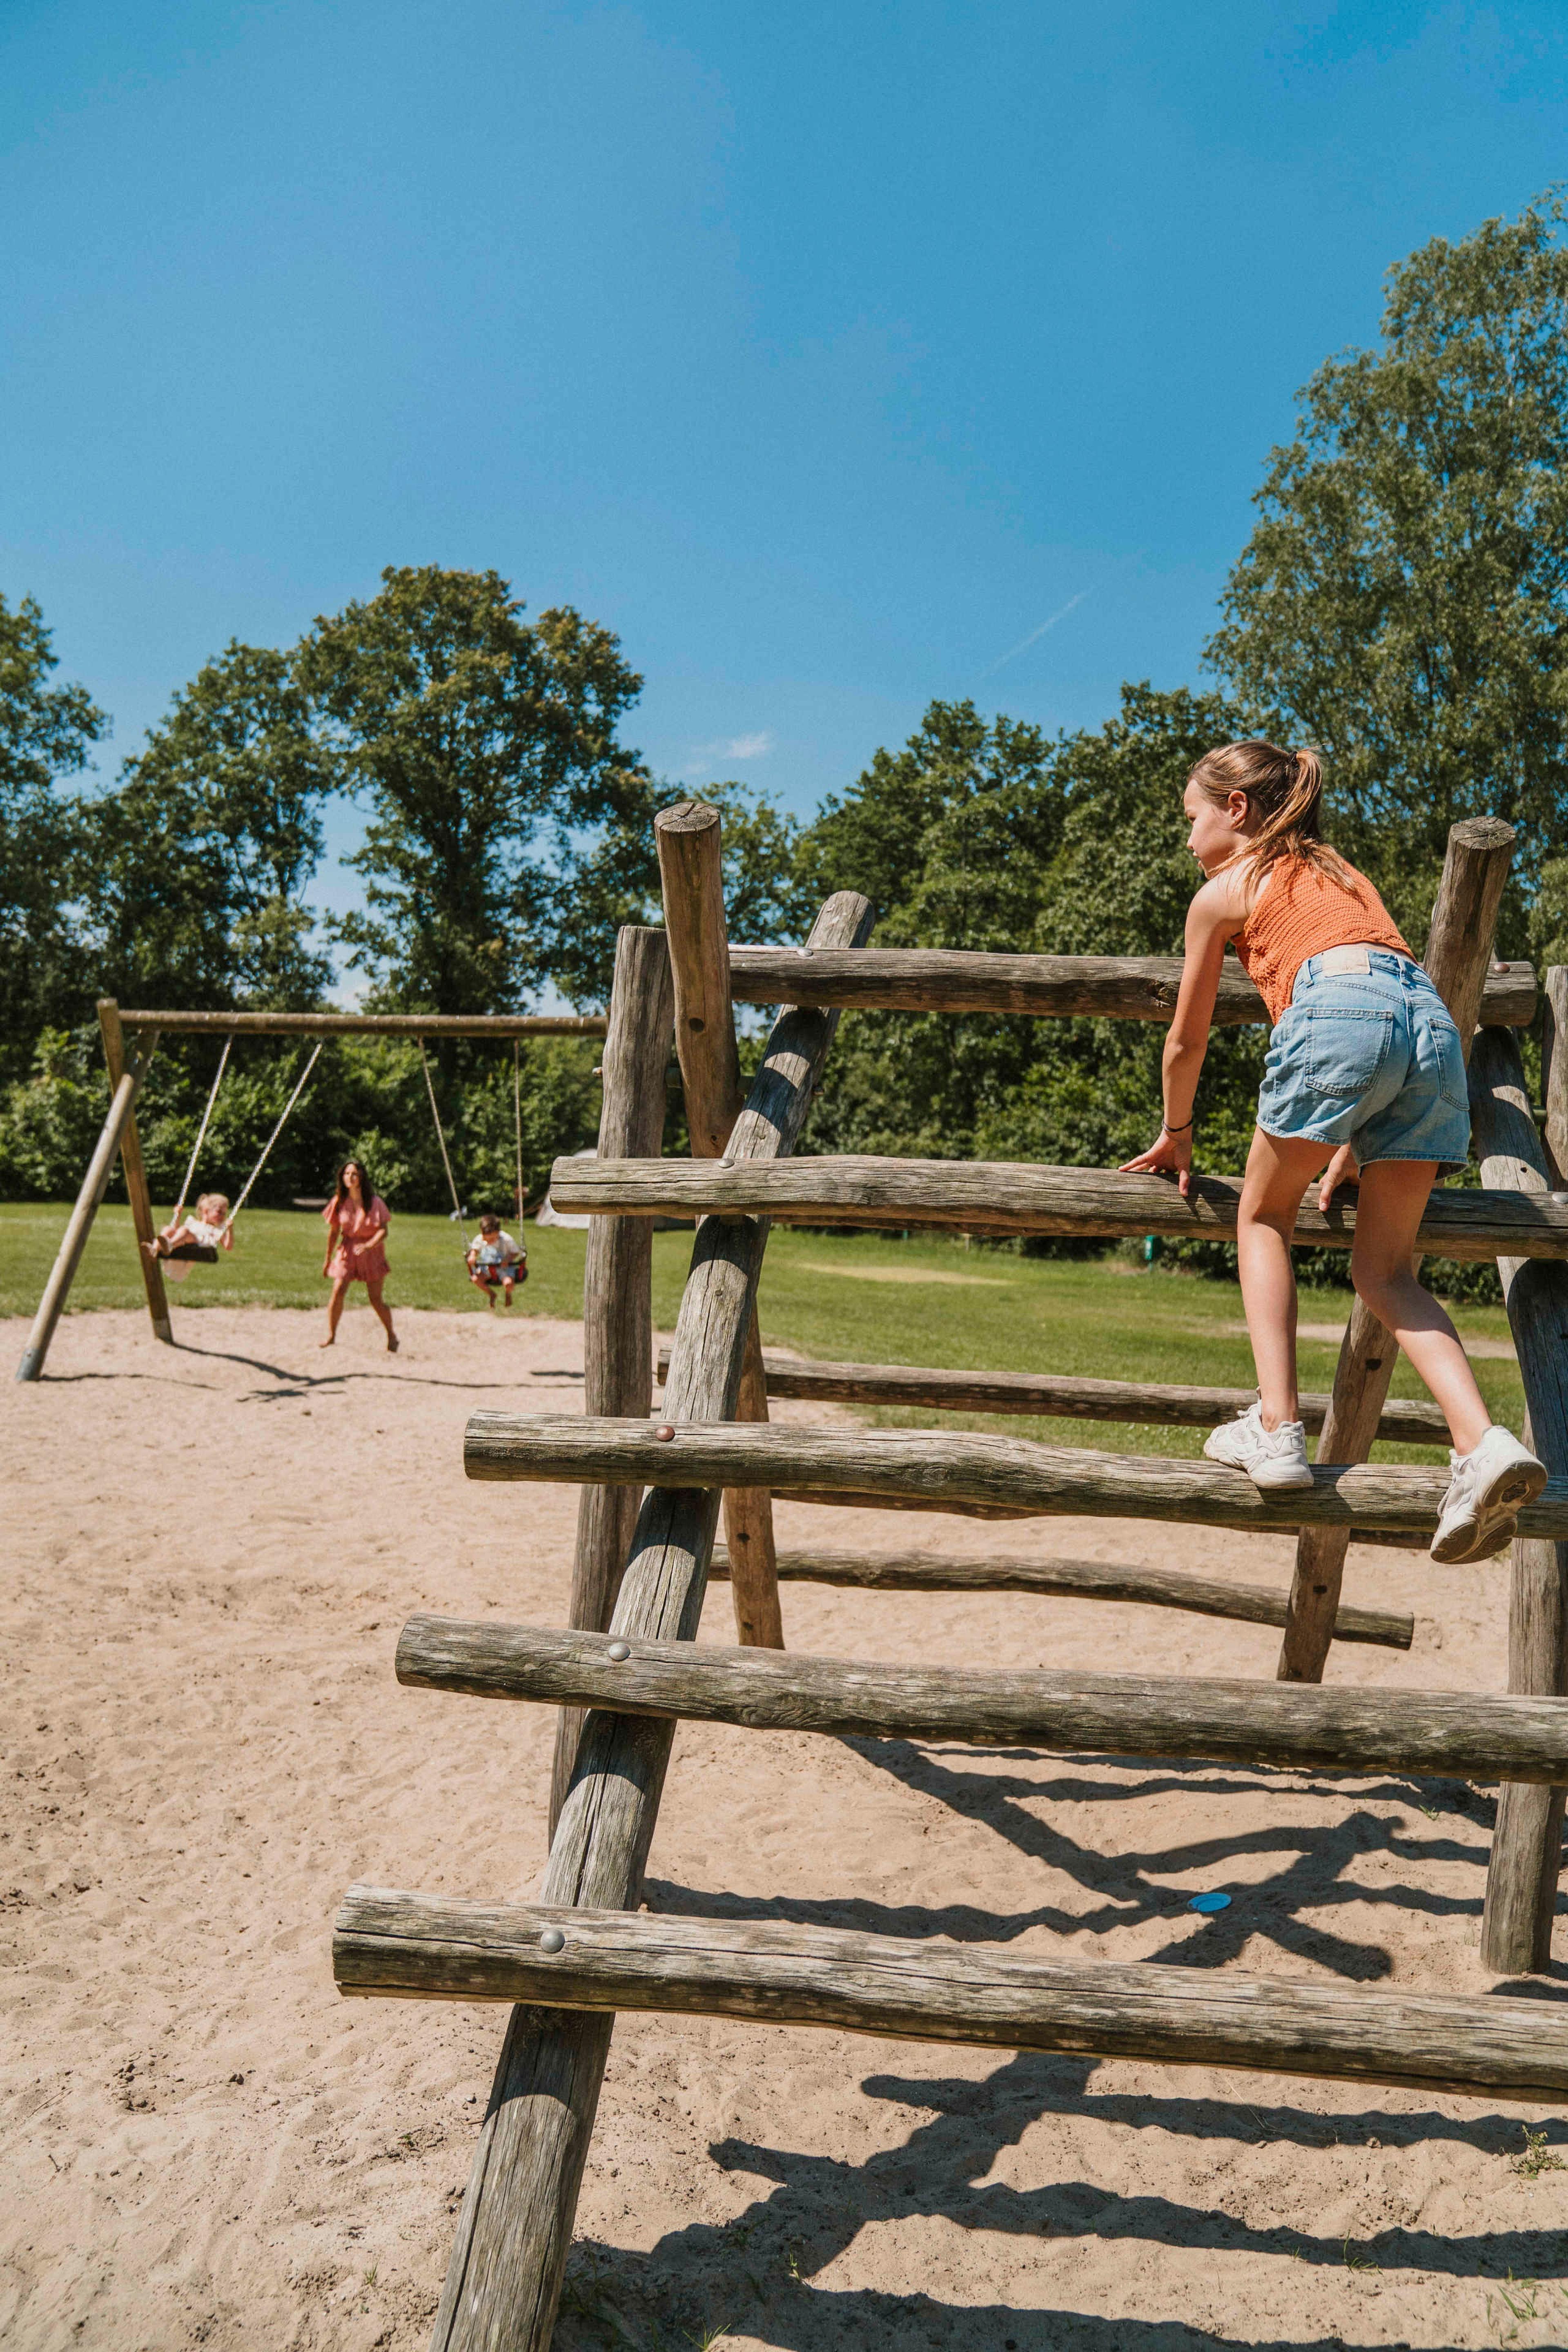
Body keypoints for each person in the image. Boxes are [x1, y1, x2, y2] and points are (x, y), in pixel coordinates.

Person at [1120, 738, 1544, 1564]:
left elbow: (1187, 1039)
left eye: (1191, 817)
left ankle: (1277, 1426)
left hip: (1343, 1014)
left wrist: (1177, 1131)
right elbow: (1386, 995)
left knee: (1263, 1216)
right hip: (1428, 1032)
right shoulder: (1345, 874)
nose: (1187, 836)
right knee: (1385, 1272)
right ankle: (1481, 1441)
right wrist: (1358, 1129)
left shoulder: (1223, 891)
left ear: (1235, 811)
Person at [319, 1158, 398, 1352]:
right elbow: (334, 1232)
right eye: (347, 1174)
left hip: (372, 1253)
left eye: (354, 1173)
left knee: (376, 1300)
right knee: (338, 1290)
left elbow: (383, 1231)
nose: (350, 1177)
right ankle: (331, 1335)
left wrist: (369, 1245)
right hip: (347, 1250)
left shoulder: (374, 1202)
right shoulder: (339, 1201)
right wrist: (327, 1258)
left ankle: (391, 1335)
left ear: (361, 1176)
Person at [144, 1191, 233, 1284]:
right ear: (206, 1211)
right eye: (219, 1212)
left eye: (224, 1214)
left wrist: (230, 1229)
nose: (222, 1216)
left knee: (184, 1230)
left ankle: (169, 1245)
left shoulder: (217, 1230)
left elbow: (228, 1247)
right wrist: (177, 1215)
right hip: (183, 1242)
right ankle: (154, 1250)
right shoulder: (193, 1223)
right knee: (168, 1229)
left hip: (200, 1245)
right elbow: (175, 1231)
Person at [466, 1214, 527, 1307]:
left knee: (509, 1284)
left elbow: (515, 1252)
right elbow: (475, 1250)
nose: (489, 1242)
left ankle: (508, 1294)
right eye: (486, 1239)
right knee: (476, 1279)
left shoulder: (507, 1239)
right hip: (487, 1268)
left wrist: (508, 1259)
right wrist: (472, 1256)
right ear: (482, 1232)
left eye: (493, 1239)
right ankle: (492, 1294)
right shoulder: (479, 1239)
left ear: (499, 1232)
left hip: (505, 1268)